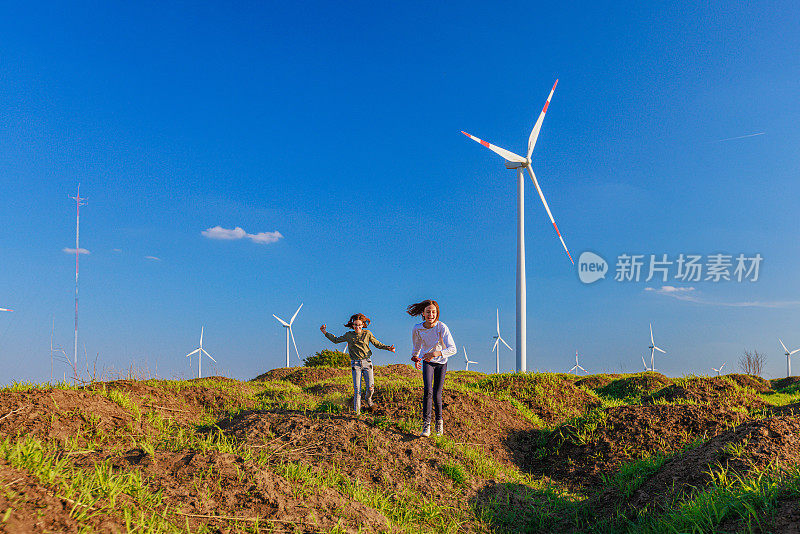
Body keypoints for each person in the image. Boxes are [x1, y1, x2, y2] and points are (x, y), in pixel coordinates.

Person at [320, 313, 395, 415]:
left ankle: (368, 399)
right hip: (355, 364)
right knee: (357, 390)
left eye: (359, 325)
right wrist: (325, 332)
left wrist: (388, 348)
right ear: (352, 325)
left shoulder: (367, 333)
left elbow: (377, 344)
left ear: (363, 324)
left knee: (370, 388)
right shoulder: (349, 335)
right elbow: (336, 340)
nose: (357, 327)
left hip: (367, 363)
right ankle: (357, 413)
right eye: (355, 325)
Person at [407, 299, 456, 437]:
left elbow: (453, 349)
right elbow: (416, 345)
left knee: (437, 394)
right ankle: (426, 426)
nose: (431, 314)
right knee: (427, 390)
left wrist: (437, 353)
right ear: (423, 313)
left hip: (441, 362)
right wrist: (415, 357)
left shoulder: (442, 327)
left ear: (437, 313)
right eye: (428, 312)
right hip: (427, 361)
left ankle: (439, 422)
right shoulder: (417, 328)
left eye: (433, 312)